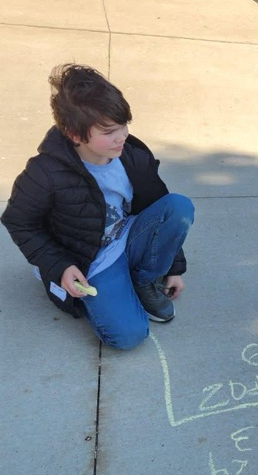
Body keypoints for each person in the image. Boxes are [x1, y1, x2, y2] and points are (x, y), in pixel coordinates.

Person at [1, 64, 194, 351]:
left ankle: (143, 281)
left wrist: (172, 268)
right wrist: (60, 267)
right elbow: (20, 221)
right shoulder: (45, 172)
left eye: (124, 125)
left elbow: (157, 207)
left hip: (127, 237)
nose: (122, 136)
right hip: (89, 259)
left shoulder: (132, 156)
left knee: (178, 206)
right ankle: (111, 288)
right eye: (109, 131)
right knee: (128, 336)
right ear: (75, 134)